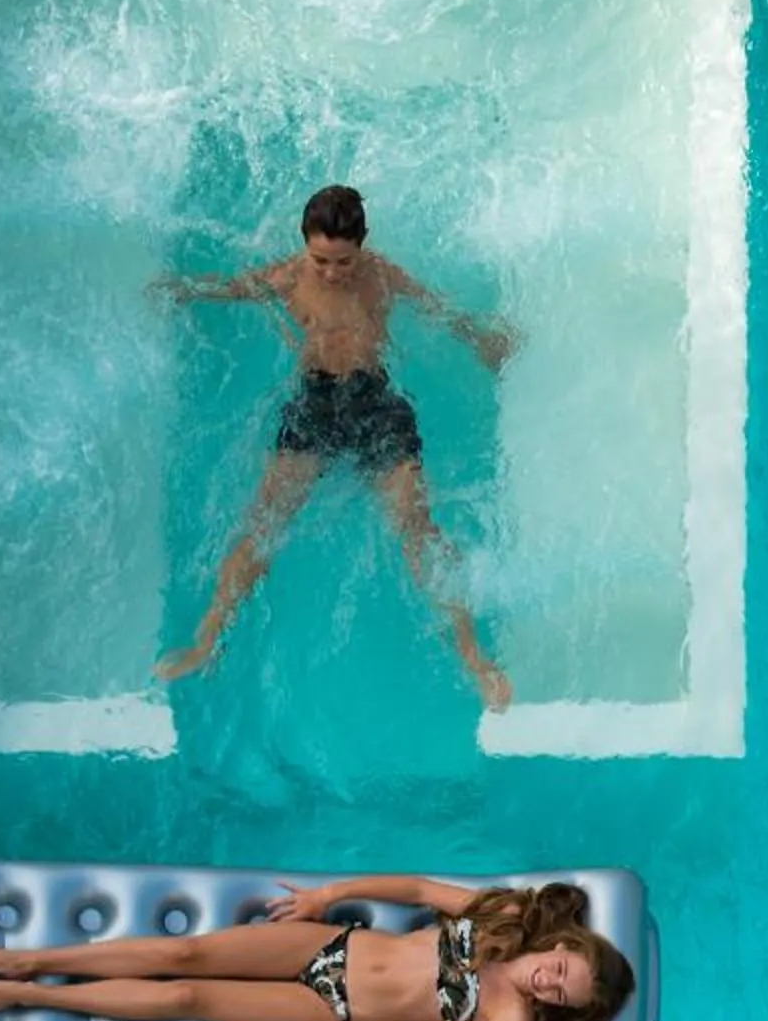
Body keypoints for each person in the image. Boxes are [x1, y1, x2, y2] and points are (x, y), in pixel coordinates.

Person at [153, 185, 516, 708]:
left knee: (419, 530)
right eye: (320, 259)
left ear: (362, 246)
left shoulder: (383, 275)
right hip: (316, 406)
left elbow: (436, 308)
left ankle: (475, 660)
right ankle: (205, 642)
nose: (330, 272)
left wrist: (482, 339)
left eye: (342, 262)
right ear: (305, 245)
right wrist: (182, 290)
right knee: (263, 523)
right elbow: (232, 289)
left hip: (376, 404)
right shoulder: (287, 277)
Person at [0, 876, 633, 1021]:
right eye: (562, 971)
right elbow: (418, 885)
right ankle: (28, 957)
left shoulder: (510, 1019)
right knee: (185, 954)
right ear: (568, 944)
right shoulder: (509, 914)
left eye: (558, 996)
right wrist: (324, 895)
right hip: (334, 943)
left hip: (331, 1012)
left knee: (186, 998)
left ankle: (27, 994)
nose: (547, 983)